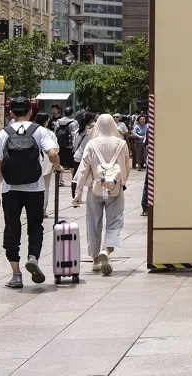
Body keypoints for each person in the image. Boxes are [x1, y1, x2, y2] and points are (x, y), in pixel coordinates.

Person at [0, 97, 62, 288]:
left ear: (11, 114)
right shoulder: (39, 131)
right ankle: (33, 257)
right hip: (35, 188)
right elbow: (53, 154)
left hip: (10, 190)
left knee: (12, 229)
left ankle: (16, 274)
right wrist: (57, 165)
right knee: (35, 227)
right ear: (30, 112)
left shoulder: (4, 134)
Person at [72, 114, 130, 276]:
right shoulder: (122, 143)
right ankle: (107, 250)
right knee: (115, 221)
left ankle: (96, 259)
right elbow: (127, 166)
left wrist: (78, 195)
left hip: (96, 189)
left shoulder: (91, 144)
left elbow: (83, 170)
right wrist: (122, 181)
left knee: (93, 222)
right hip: (114, 188)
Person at [33, 113, 60, 219]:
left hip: (32, 164)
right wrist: (56, 165)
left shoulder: (31, 131)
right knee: (45, 187)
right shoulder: (50, 133)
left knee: (32, 187)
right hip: (46, 165)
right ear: (46, 121)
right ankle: (42, 210)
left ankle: (32, 208)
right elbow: (55, 150)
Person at [71, 111, 96, 199]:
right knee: (93, 176)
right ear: (91, 120)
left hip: (78, 155)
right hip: (88, 157)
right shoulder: (92, 130)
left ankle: (75, 196)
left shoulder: (77, 130)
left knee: (76, 177)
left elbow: (74, 144)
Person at [53, 106, 78, 188]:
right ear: (72, 113)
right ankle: (73, 180)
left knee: (60, 163)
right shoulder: (74, 122)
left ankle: (60, 180)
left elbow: (55, 133)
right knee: (71, 165)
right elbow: (75, 134)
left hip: (60, 146)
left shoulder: (58, 122)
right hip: (70, 146)